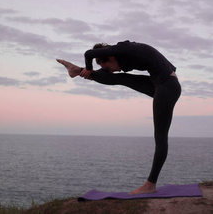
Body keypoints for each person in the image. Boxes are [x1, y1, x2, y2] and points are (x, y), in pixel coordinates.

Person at [56, 40, 181, 195]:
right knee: (120, 78)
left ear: (111, 58)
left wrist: (88, 69)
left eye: (107, 67)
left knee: (160, 137)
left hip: (167, 87)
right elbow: (111, 73)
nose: (110, 71)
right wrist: (87, 72)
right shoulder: (121, 54)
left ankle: (150, 185)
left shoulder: (122, 50)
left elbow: (89, 54)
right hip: (159, 83)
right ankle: (77, 71)